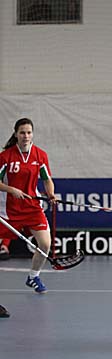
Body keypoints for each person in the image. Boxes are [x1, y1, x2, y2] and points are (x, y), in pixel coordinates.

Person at [0, 118, 56, 293]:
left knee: (45, 244)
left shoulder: (40, 155)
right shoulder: (5, 157)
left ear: (32, 134)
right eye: (22, 132)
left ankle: (33, 277)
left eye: (29, 132)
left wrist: (51, 194)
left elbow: (47, 179)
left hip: (32, 207)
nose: (26, 136)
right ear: (16, 134)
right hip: (8, 209)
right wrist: (11, 190)